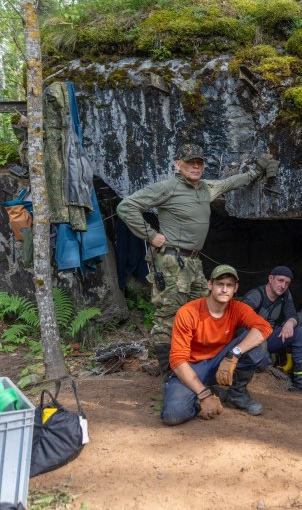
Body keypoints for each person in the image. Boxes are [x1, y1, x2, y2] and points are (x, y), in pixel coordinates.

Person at [116, 143, 279, 374]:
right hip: (172, 262)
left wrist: (255, 172)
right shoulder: (168, 187)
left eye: (199, 163)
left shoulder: (205, 188)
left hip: (193, 262)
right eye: (190, 162)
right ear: (178, 164)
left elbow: (230, 183)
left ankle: (196, 363)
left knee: (204, 310)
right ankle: (169, 374)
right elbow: (126, 207)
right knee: (168, 316)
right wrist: (151, 236)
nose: (195, 166)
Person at [160, 265, 273, 426]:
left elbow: (264, 328)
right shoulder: (188, 312)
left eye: (229, 285)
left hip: (220, 362)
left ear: (236, 288)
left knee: (258, 343)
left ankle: (236, 394)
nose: (224, 289)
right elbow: (177, 360)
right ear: (210, 285)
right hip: (192, 367)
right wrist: (204, 396)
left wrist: (233, 354)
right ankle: (203, 395)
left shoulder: (238, 308)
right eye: (220, 284)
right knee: (173, 415)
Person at [241, 266, 302, 396]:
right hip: (249, 338)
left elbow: (292, 314)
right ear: (270, 278)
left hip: (268, 336)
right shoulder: (256, 295)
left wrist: (290, 323)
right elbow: (240, 320)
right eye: (280, 280)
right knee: (263, 362)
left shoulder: (285, 294)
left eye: (287, 283)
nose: (283, 285)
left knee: (299, 333)